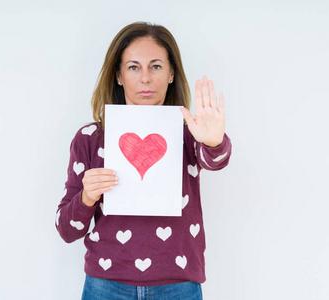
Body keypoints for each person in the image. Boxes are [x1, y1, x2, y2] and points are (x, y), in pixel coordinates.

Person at [55, 22, 231, 300]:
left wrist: (212, 141)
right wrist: (87, 197)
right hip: (106, 284)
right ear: (119, 75)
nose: (145, 78)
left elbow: (216, 161)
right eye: (134, 67)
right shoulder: (89, 138)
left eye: (156, 66)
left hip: (179, 283)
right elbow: (66, 230)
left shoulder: (190, 133)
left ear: (172, 73)